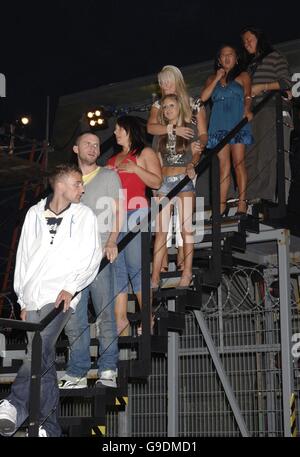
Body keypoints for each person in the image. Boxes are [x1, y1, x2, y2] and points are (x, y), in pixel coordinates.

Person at [0, 164, 101, 437]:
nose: (83, 188)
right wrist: (22, 300)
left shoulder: (85, 215)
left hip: (61, 297)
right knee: (41, 360)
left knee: (39, 347)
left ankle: (14, 404)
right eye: (77, 183)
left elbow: (92, 257)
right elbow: (23, 258)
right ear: (61, 185)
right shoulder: (34, 213)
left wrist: (71, 287)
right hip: (33, 297)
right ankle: (49, 427)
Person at [59, 132, 122, 390]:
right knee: (74, 318)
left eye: (97, 144)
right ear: (75, 148)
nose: (94, 148)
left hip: (99, 256)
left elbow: (119, 211)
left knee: (105, 313)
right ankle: (78, 371)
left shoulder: (108, 175)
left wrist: (111, 241)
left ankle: (108, 368)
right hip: (72, 260)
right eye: (88, 144)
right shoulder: (68, 181)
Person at [147, 65, 208, 271]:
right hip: (163, 162)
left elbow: (203, 132)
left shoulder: (194, 103)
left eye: (168, 81)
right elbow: (150, 127)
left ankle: (183, 263)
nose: (165, 86)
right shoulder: (158, 104)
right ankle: (161, 266)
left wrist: (200, 146)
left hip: (187, 161)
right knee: (161, 224)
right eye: (162, 83)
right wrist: (173, 128)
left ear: (178, 81)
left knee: (184, 222)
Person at [107, 115, 162, 335]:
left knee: (135, 264)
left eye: (119, 129)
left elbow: (157, 182)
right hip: (113, 214)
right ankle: (120, 319)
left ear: (129, 130)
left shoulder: (144, 152)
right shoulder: (112, 160)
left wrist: (136, 169)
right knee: (116, 267)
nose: (115, 133)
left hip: (137, 210)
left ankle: (147, 316)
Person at [151, 93, 201, 289]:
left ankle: (186, 273)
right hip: (164, 182)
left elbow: (197, 152)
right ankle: (154, 277)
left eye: (171, 106)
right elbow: (157, 159)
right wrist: (156, 185)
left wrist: (192, 164)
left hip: (183, 181)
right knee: (160, 231)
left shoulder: (190, 128)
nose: (168, 110)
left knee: (186, 229)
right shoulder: (160, 133)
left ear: (179, 107)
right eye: (165, 107)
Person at [241, 27, 293, 202]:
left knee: (267, 154)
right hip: (253, 113)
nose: (247, 44)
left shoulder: (274, 57)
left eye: (250, 39)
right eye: (244, 42)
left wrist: (262, 87)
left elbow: (285, 82)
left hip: (271, 108)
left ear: (260, 39)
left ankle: (266, 197)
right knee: (250, 155)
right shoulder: (248, 66)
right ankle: (251, 195)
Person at [201, 44, 253, 216]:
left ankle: (242, 203)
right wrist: (217, 78)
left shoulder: (243, 75)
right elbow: (203, 98)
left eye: (230, 54)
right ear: (219, 60)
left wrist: (247, 110)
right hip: (218, 126)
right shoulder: (211, 79)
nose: (227, 58)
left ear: (236, 58)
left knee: (238, 163)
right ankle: (221, 205)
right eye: (223, 55)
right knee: (224, 166)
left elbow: (248, 96)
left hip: (237, 123)